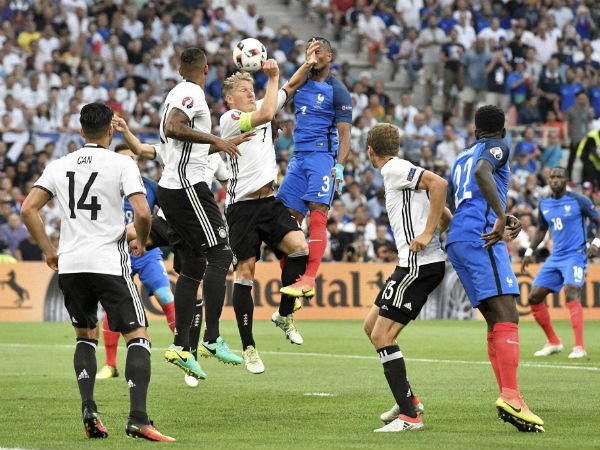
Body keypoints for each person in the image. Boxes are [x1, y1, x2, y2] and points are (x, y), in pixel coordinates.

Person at [20, 102, 174, 441]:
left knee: (84, 335)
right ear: (110, 130)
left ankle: (89, 408)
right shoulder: (121, 163)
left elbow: (28, 208)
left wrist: (48, 250)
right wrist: (143, 242)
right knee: (139, 336)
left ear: (80, 131)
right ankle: (138, 418)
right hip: (108, 263)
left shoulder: (59, 165)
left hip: (71, 264)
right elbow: (143, 213)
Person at [111, 114, 241, 387]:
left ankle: (186, 350)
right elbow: (140, 149)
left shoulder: (212, 156)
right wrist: (125, 130)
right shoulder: (173, 150)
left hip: (189, 224)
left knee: (192, 282)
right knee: (208, 263)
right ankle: (205, 342)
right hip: (181, 220)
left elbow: (230, 185)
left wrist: (234, 209)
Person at [446, 105, 544, 433]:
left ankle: (509, 396)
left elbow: (462, 197)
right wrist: (500, 218)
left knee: (493, 317)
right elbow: (483, 174)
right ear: (503, 131)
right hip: (482, 236)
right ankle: (512, 396)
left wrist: (502, 212)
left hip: (459, 236)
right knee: (508, 315)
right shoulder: (497, 146)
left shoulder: (462, 155)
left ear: (474, 131)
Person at [220, 49, 318, 372]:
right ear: (230, 100)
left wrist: (307, 62)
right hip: (241, 207)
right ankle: (248, 347)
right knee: (245, 273)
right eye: (244, 91)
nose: (251, 94)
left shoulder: (263, 106)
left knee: (300, 248)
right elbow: (265, 112)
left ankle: (283, 314)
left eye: (252, 89)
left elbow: (290, 87)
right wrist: (272, 78)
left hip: (269, 202)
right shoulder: (230, 120)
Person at [157, 47, 247, 376]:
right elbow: (174, 128)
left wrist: (224, 140)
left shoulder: (175, 92)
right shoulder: (191, 92)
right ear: (205, 69)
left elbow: (182, 141)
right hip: (188, 187)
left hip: (173, 187)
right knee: (222, 254)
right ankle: (211, 337)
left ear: (180, 67)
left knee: (194, 264)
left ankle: (181, 346)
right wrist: (217, 140)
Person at [362, 123, 450, 432]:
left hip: (418, 265)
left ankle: (410, 417)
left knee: (383, 336)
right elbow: (435, 198)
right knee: (371, 326)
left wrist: (428, 232)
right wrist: (444, 223)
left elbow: (439, 184)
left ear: (370, 151)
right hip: (410, 263)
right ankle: (408, 399)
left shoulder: (393, 169)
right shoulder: (405, 168)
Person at [276, 37, 352, 298]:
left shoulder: (337, 90)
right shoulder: (301, 81)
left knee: (318, 212)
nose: (314, 55)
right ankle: (293, 279)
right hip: (298, 158)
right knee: (283, 220)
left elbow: (345, 135)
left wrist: (339, 166)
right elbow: (286, 88)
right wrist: (306, 63)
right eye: (309, 51)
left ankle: (309, 279)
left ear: (329, 57)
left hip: (322, 157)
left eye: (318, 52)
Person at [96, 143, 176, 380]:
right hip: (118, 253)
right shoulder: (104, 188)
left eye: (133, 158)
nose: (129, 162)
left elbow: (171, 214)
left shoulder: (150, 187)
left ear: (138, 162)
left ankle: (184, 351)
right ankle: (110, 365)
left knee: (164, 295)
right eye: (124, 159)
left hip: (147, 250)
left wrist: (165, 243)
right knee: (113, 305)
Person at [521, 167, 600, 359]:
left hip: (575, 254)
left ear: (566, 180)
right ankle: (554, 342)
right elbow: (541, 229)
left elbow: (598, 221)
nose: (555, 180)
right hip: (555, 256)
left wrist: (596, 244)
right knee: (534, 297)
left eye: (559, 177)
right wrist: (530, 251)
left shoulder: (579, 200)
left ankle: (579, 347)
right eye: (552, 177)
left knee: (571, 290)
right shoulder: (545, 204)